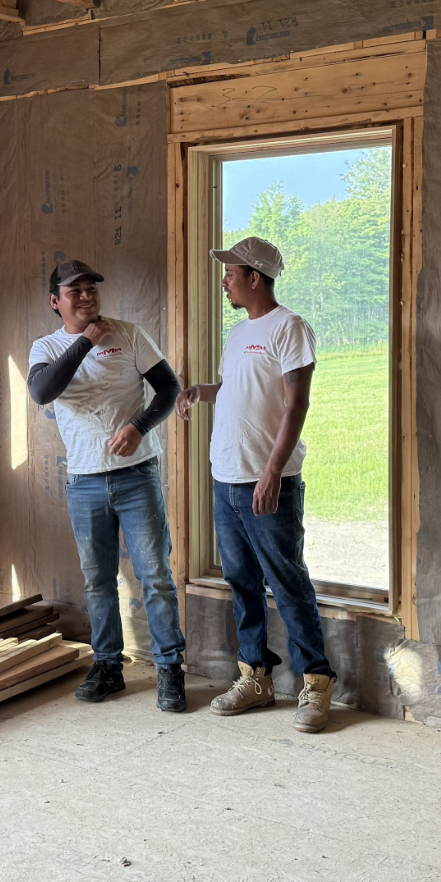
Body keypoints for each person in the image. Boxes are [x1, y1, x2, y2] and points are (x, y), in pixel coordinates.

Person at [176, 236, 336, 733]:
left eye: (231, 272)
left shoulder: (290, 328)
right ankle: (256, 677)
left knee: (287, 581)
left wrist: (271, 472)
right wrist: (205, 391)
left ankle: (316, 683)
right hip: (226, 478)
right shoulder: (236, 333)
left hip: (268, 483)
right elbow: (241, 389)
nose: (224, 280)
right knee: (241, 582)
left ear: (255, 277)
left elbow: (296, 404)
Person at [27, 260, 186, 710]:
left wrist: (139, 426)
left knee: (155, 575)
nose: (86, 296)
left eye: (91, 288)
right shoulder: (46, 346)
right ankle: (109, 666)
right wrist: (83, 344)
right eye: (74, 290)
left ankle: (170, 670)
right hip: (83, 481)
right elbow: (43, 392)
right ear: (55, 301)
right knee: (98, 581)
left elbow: (169, 389)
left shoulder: (130, 334)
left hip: (137, 475)